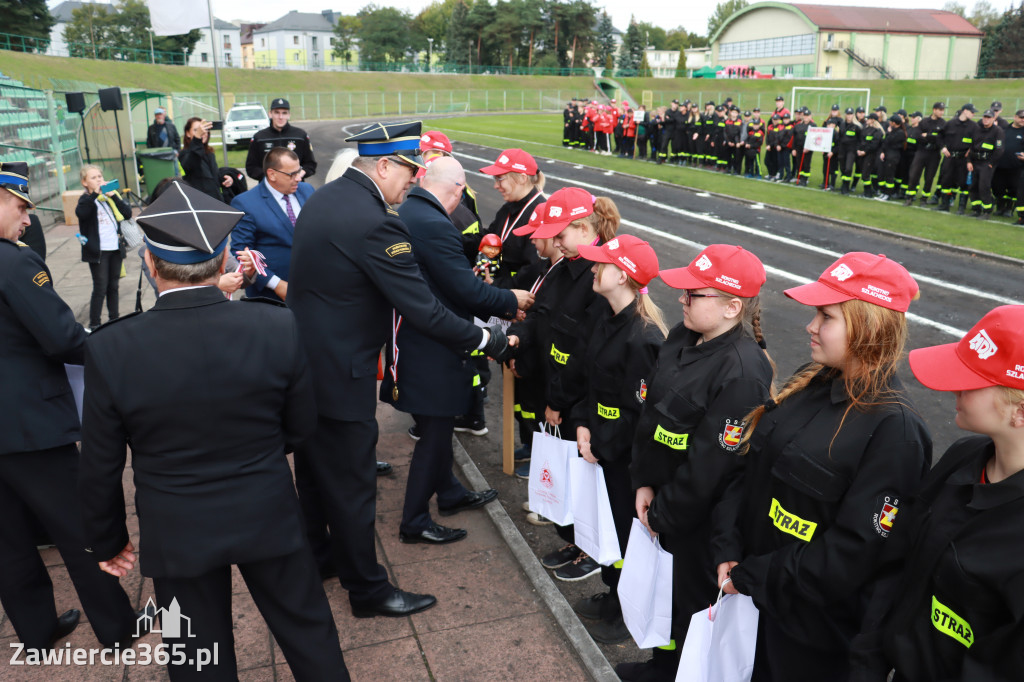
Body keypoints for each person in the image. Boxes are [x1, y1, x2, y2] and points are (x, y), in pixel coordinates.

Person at [79, 181, 348, 681]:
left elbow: (100, 462)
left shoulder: (112, 348)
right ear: (224, 257)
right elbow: (300, 426)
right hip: (265, 505)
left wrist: (106, 539)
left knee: (198, 660)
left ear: (151, 266)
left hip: (177, 524)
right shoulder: (276, 326)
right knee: (310, 637)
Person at [287, 121, 509, 619]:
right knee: (351, 485)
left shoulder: (324, 199)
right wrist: (485, 338)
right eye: (410, 169)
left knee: (316, 479)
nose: (414, 179)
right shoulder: (376, 222)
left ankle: (320, 560)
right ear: (383, 164)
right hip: (342, 372)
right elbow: (423, 308)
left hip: (306, 363)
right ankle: (367, 590)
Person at [718, 252, 932, 681]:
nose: (810, 326)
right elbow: (751, 472)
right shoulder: (813, 381)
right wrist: (727, 547)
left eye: (826, 316)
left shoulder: (896, 430)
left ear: (869, 325)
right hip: (750, 599)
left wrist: (755, 575)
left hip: (806, 635)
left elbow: (854, 553)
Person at [0, 161, 141, 655]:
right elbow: (62, 337)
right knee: (78, 530)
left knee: (8, 539)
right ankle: (118, 626)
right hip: (30, 425)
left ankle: (36, 632)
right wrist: (115, 357)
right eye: (20, 208)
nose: (26, 220)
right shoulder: (13, 262)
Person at [618, 245, 774, 682]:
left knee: (690, 603)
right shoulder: (683, 337)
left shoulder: (742, 371)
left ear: (732, 307)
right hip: (663, 502)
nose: (682, 300)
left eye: (694, 294)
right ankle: (663, 665)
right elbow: (652, 420)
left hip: (695, 522)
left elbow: (712, 466)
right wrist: (644, 482)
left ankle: (676, 672)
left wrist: (664, 514)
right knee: (665, 598)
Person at [850, 305, 1024, 682]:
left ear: (1020, 411)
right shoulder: (964, 456)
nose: (954, 386)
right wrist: (868, 663)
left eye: (973, 379)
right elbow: (900, 564)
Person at [382, 157, 528, 544]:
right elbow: (466, 290)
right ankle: (413, 521)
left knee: (437, 429)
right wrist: (511, 300)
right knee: (435, 434)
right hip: (432, 347)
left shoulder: (412, 210)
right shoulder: (433, 223)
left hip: (414, 340)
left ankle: (447, 492)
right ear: (459, 189)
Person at [508, 187, 619, 582]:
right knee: (569, 476)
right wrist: (518, 343)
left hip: (581, 399)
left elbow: (585, 350)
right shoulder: (564, 267)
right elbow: (545, 318)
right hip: (558, 391)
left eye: (561, 233)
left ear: (586, 228)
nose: (554, 241)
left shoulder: (599, 275)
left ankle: (593, 548)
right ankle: (576, 538)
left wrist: (559, 399)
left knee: (590, 480)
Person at [568, 235, 667, 645]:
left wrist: (603, 444)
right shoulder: (606, 317)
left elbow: (638, 417)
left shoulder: (644, 337)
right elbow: (594, 385)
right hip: (602, 447)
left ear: (623, 276)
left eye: (601, 264)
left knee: (629, 538)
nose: (593, 269)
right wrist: (583, 422)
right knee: (610, 532)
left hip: (622, 459)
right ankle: (614, 593)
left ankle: (628, 611)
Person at [230, 147, 313, 301]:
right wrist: (276, 284)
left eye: (299, 171)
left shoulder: (307, 191)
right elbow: (242, 253)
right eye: (292, 174)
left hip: (312, 288)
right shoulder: (246, 203)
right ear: (272, 174)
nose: (298, 178)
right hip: (272, 296)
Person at [480, 148, 546, 289]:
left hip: (519, 299)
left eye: (500, 178)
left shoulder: (540, 213)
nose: (496, 185)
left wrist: (498, 286)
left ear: (522, 178)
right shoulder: (508, 208)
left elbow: (533, 269)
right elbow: (489, 235)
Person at [76, 164, 129, 331]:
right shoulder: (86, 200)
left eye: (100, 176)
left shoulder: (108, 198)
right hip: (98, 251)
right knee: (100, 287)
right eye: (94, 178)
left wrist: (114, 196)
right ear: (85, 182)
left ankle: (115, 319)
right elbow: (82, 214)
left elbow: (127, 213)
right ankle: (94, 323)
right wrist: (94, 195)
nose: (99, 179)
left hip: (115, 248)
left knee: (113, 286)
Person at [244, 98, 317, 182]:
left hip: (295, 186)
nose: (280, 117)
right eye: (277, 113)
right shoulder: (259, 138)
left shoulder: (300, 135)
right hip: (268, 189)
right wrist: (270, 178)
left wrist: (300, 174)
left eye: (284, 113)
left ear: (289, 115)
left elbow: (310, 164)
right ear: (270, 114)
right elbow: (251, 167)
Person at [935, 103, 979, 214]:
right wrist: (943, 147)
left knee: (963, 183)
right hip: (950, 157)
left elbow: (979, 141)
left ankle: (961, 207)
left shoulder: (974, 126)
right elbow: (939, 136)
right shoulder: (950, 123)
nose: (973, 114)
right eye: (972, 112)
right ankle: (944, 204)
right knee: (946, 181)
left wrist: (971, 149)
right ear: (964, 110)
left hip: (963, 158)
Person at [180, 117, 234, 202]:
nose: (202, 133)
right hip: (200, 203)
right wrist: (197, 138)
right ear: (188, 133)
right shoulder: (185, 154)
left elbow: (211, 178)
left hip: (216, 201)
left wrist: (225, 179)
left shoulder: (209, 153)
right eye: (196, 130)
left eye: (204, 129)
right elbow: (192, 163)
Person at [904, 102, 947, 206]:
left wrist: (927, 135)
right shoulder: (924, 122)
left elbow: (941, 138)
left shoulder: (943, 123)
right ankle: (909, 197)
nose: (942, 112)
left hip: (934, 153)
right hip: (922, 152)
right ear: (934, 110)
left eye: (943, 110)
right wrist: (932, 136)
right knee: (914, 175)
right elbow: (917, 136)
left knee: (929, 177)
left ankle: (924, 198)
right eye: (940, 110)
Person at [967, 109, 1005, 219]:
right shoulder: (977, 129)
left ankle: (987, 211)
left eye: (989, 117)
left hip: (987, 163)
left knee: (984, 186)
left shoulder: (998, 131)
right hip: (975, 161)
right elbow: (971, 147)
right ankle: (976, 209)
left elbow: (999, 150)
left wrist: (991, 163)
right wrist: (969, 161)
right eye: (985, 117)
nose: (986, 119)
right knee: (973, 186)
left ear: (993, 119)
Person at [877, 114, 907, 200]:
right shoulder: (893, 131)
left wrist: (889, 133)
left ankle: (888, 194)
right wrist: (883, 151)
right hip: (887, 154)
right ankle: (884, 192)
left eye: (891, 121)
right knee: (885, 174)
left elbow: (890, 140)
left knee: (890, 175)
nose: (889, 123)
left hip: (893, 156)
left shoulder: (900, 132)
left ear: (894, 123)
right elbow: (885, 141)